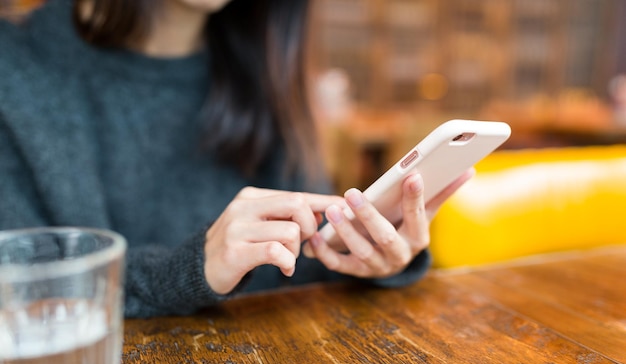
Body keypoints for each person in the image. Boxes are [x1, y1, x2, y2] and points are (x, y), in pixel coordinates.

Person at [0, 0, 471, 318]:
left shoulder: (263, 69)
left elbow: (296, 273)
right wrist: (188, 270)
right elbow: (21, 293)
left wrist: (362, 256)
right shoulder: (16, 67)